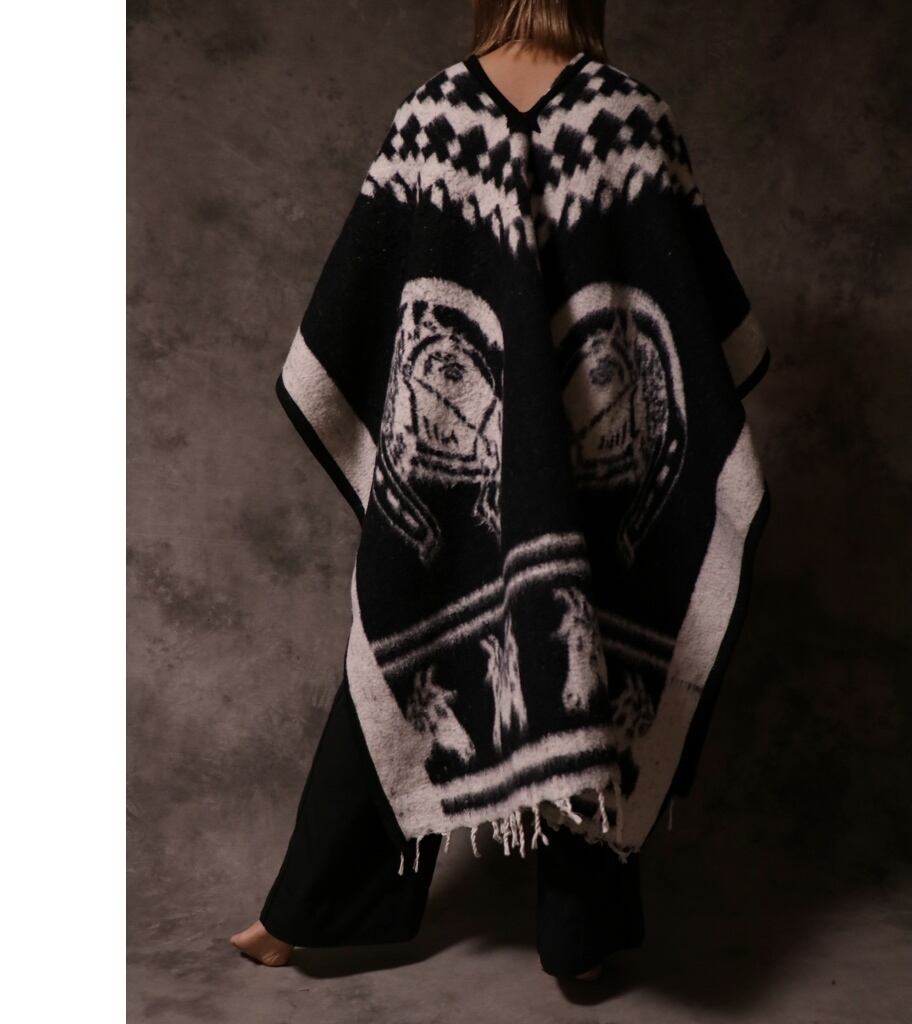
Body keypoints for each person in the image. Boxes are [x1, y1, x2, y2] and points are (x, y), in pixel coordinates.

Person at [232, 0, 770, 983]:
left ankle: (311, 910)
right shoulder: (628, 117)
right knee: (523, 640)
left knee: (551, 642)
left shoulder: (434, 116)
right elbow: (707, 332)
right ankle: (577, 938)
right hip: (487, 471)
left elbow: (360, 315)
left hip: (576, 466)